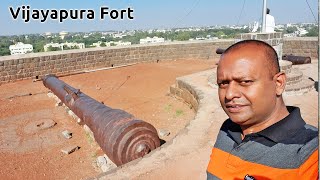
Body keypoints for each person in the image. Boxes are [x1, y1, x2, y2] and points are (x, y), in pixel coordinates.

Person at [206, 40, 318, 179]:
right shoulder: (228, 128)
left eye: (245, 82)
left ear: (278, 83)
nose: (229, 94)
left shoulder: (310, 151)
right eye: (223, 83)